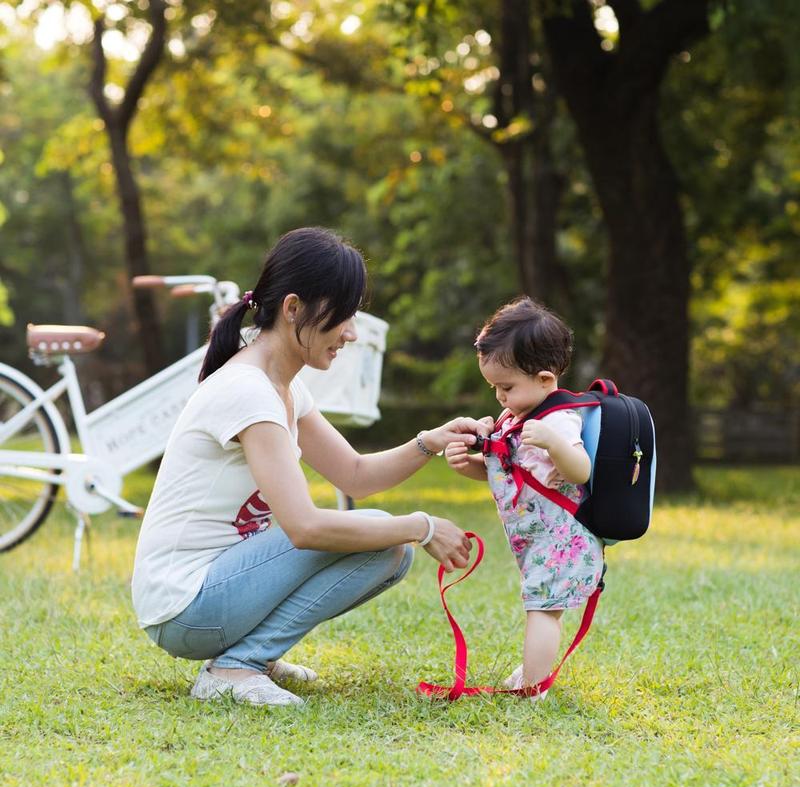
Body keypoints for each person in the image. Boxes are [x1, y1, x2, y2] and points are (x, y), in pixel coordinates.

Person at [132, 227, 481, 707]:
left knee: (389, 546)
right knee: (389, 534)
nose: (352, 332)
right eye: (343, 315)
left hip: (212, 592)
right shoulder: (248, 390)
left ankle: (252, 655)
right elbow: (304, 527)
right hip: (185, 604)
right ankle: (237, 667)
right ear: (293, 309)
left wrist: (430, 441)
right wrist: (421, 526)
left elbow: (355, 474)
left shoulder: (286, 387)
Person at [444, 297, 604, 700]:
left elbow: (580, 471)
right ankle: (533, 673)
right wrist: (471, 467)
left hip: (563, 539)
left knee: (543, 610)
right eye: (494, 387)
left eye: (506, 387)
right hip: (537, 540)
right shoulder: (516, 419)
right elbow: (515, 477)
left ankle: (534, 687)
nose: (499, 396)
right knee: (542, 605)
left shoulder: (557, 420)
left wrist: (554, 443)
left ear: (546, 381)